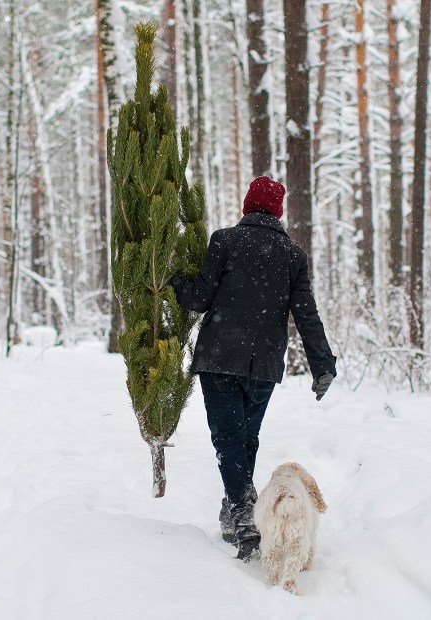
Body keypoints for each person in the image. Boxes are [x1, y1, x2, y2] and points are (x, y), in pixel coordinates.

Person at [168, 175, 337, 563]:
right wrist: (322, 364)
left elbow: (198, 299)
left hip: (220, 358)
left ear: (247, 206)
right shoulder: (292, 256)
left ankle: (245, 517)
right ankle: (234, 512)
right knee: (245, 439)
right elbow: (306, 314)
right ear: (278, 212)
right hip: (263, 364)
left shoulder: (224, 241)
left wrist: (173, 281)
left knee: (229, 439)